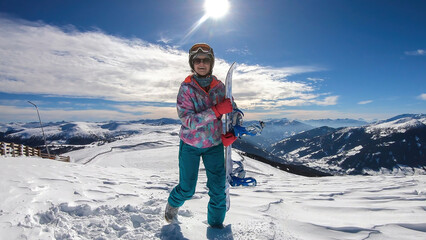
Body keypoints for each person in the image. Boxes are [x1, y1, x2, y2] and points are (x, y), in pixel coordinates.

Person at [165, 43, 237, 228]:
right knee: (187, 189)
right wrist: (215, 111)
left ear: (211, 63)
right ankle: (173, 203)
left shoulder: (220, 87)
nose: (201, 63)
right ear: (192, 63)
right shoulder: (186, 88)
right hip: (190, 145)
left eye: (205, 60)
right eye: (197, 60)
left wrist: (233, 131)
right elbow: (187, 121)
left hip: (214, 145)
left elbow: (233, 112)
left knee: (219, 190)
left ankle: (216, 227)